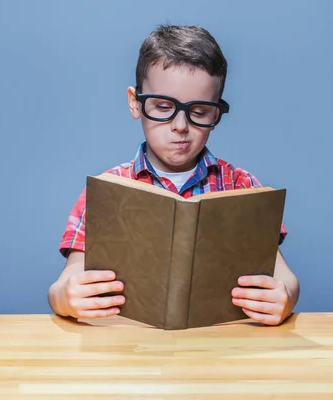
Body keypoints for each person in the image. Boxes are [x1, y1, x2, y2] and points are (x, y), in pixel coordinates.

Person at [48, 24, 300, 326]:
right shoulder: (106, 191)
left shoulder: (241, 185)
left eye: (199, 111)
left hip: (220, 349)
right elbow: (65, 282)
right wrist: (65, 297)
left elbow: (284, 275)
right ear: (135, 102)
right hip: (130, 348)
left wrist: (285, 296)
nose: (180, 125)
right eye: (164, 106)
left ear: (217, 113)